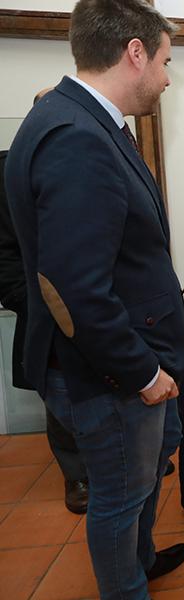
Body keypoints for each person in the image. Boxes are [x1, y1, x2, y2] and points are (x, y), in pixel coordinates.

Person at [4, 1, 184, 598]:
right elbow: (76, 291)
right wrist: (142, 372)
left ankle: (140, 561)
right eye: (164, 61)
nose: (167, 77)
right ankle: (126, 587)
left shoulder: (79, 118)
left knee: (139, 481)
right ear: (134, 53)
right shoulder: (75, 138)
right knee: (117, 496)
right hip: (112, 373)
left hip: (126, 360)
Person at [0, 89, 89, 514]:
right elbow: (4, 260)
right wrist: (39, 302)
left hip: (96, 310)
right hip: (46, 315)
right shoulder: (7, 176)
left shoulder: (83, 167)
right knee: (61, 397)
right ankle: (77, 476)